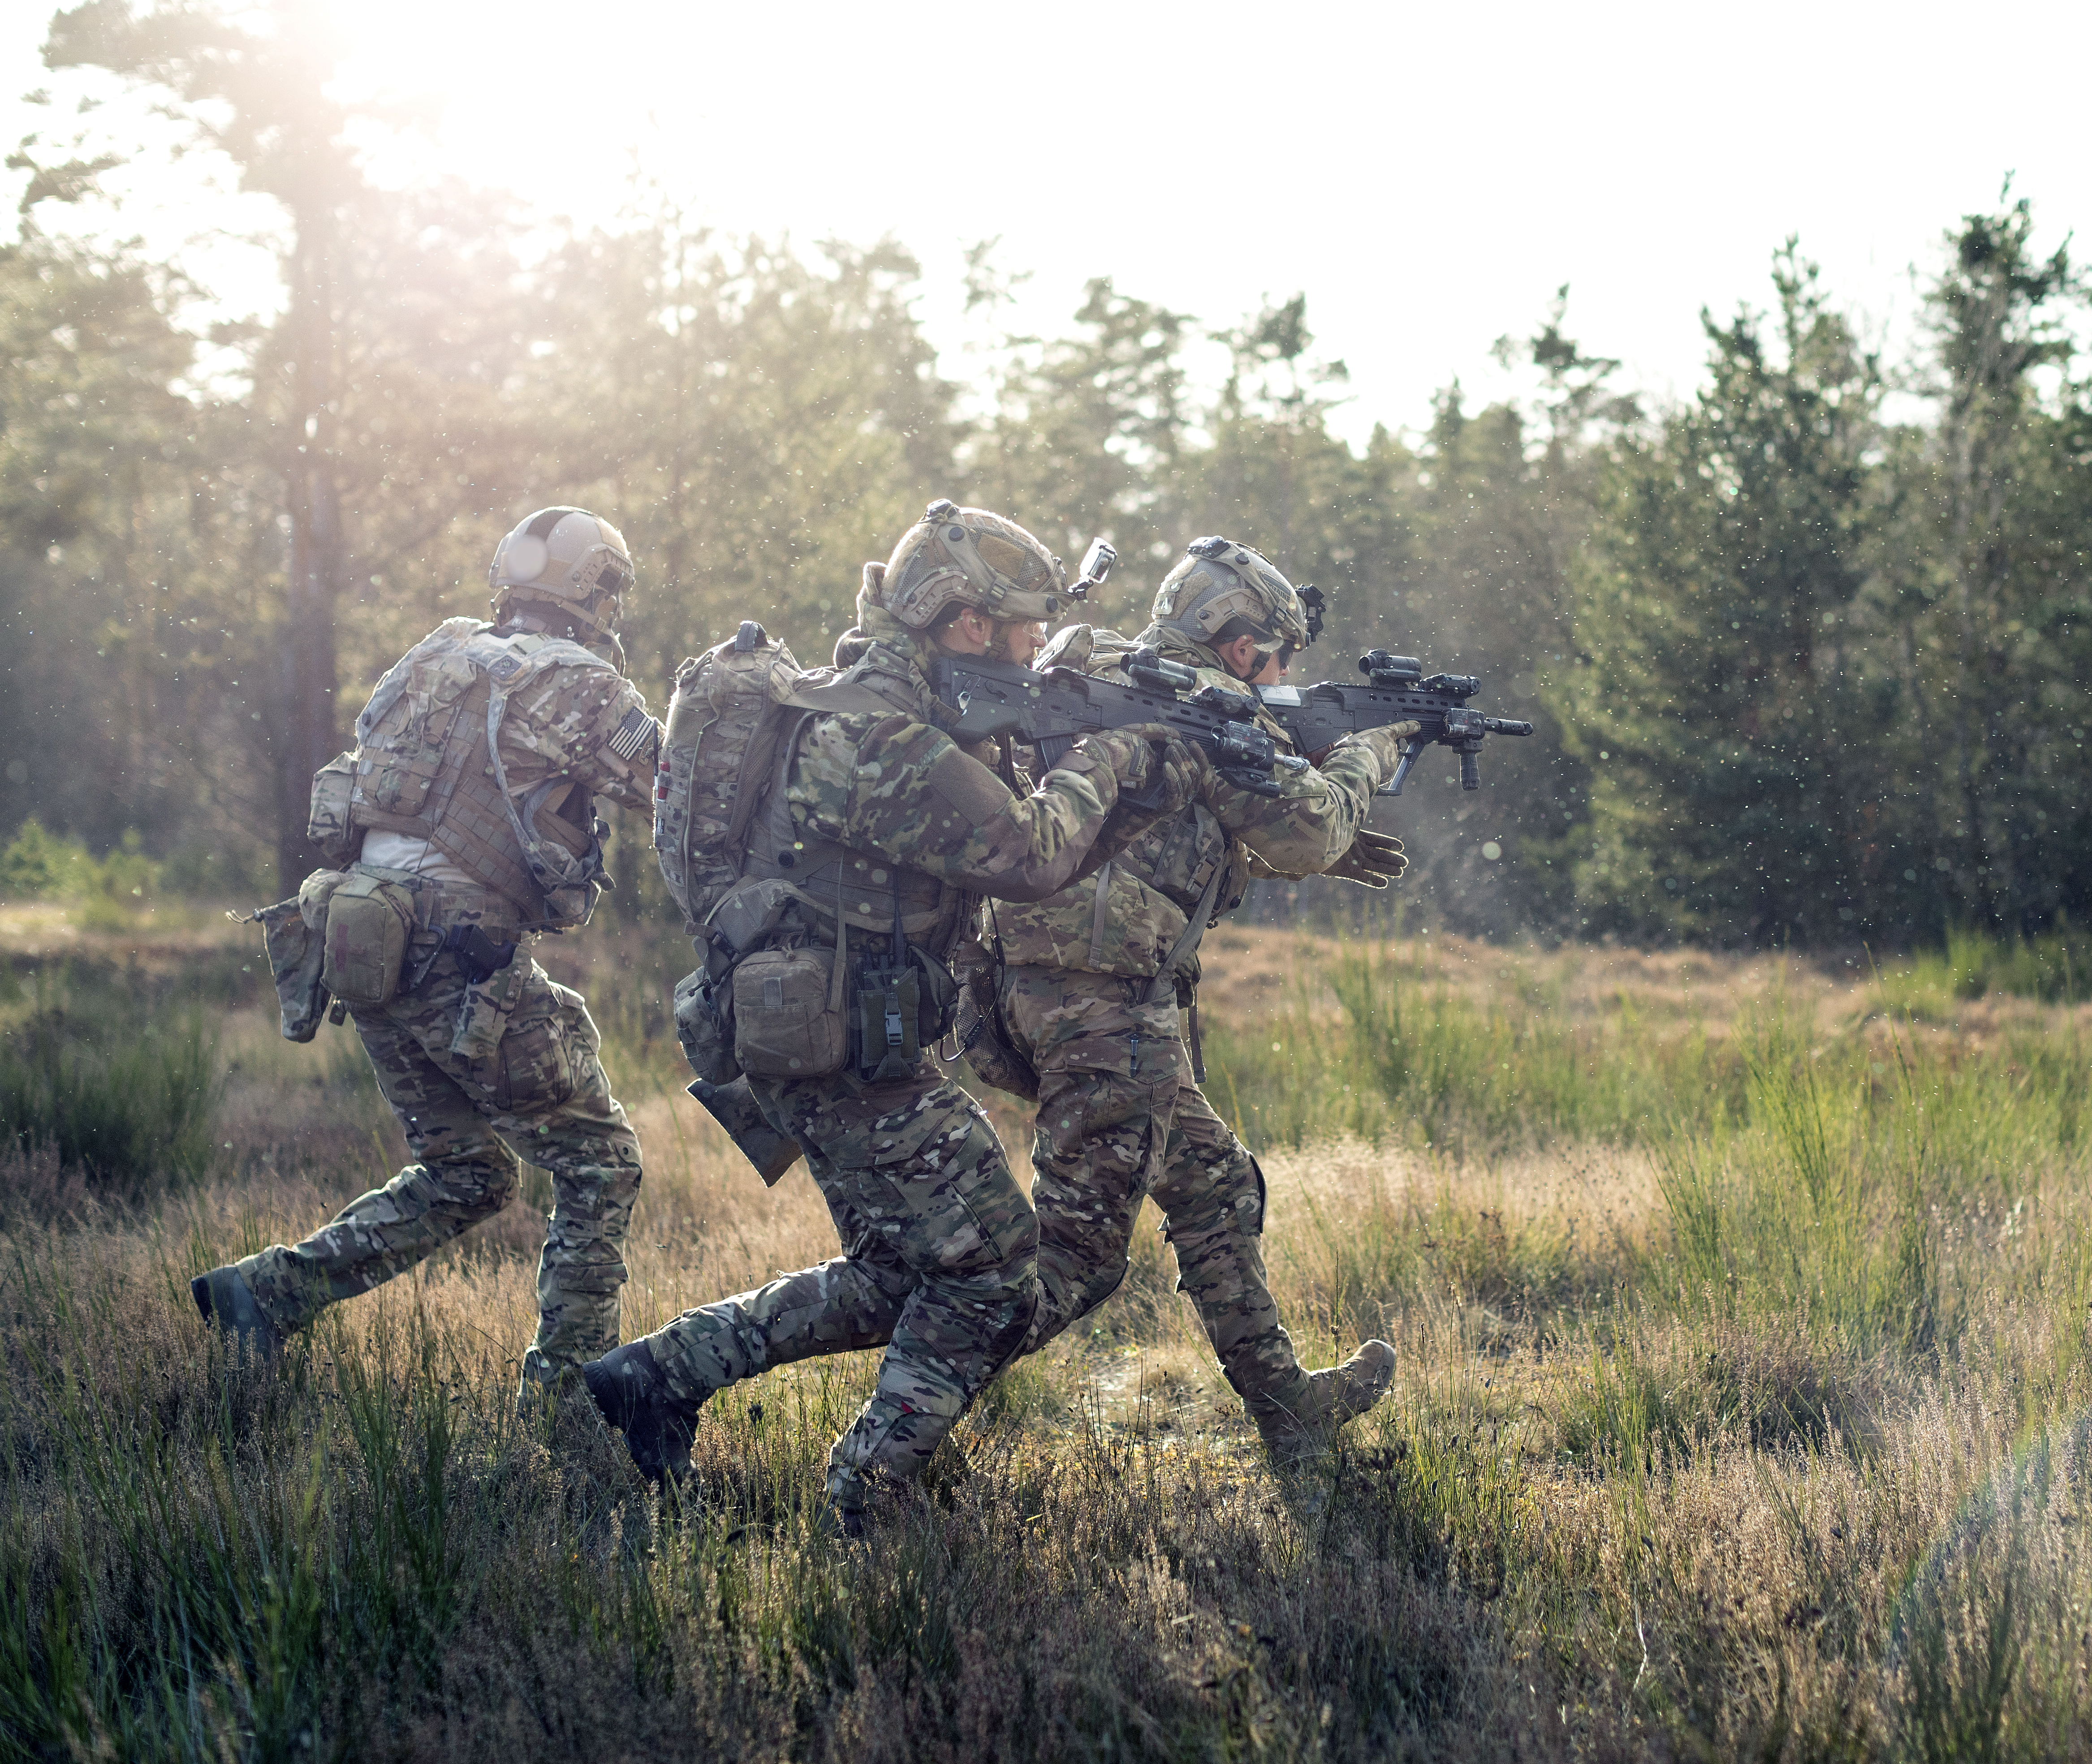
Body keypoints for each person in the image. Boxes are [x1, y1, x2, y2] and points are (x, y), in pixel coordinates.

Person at [580, 501, 1200, 1533]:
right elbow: (1035, 854)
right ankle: (868, 1489)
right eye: (1024, 628)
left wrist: (1113, 752)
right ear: (964, 625)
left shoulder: (893, 711)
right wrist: (1117, 757)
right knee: (999, 1271)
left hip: (830, 1035)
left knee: (893, 1277)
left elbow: (1015, 849)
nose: (1035, 647)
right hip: (838, 1049)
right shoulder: (873, 738)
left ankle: (654, 1377)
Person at [195, 507, 658, 1403]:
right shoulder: (581, 684)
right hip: (460, 955)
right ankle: (566, 1401)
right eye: (611, 592)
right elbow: (674, 797)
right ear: (594, 594)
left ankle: (266, 1294)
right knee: (601, 1163)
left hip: (361, 939)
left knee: (469, 1171)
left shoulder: (437, 652)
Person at [970, 537, 1415, 1461]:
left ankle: (1285, 1406)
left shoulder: (1109, 677)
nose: (1286, 673)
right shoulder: (1206, 709)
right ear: (1237, 642)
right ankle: (878, 1413)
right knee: (1072, 1267)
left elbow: (1155, 834)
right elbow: (1315, 825)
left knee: (1211, 1181)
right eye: (1277, 651)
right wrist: (1371, 753)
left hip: (1045, 992)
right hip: (1104, 1011)